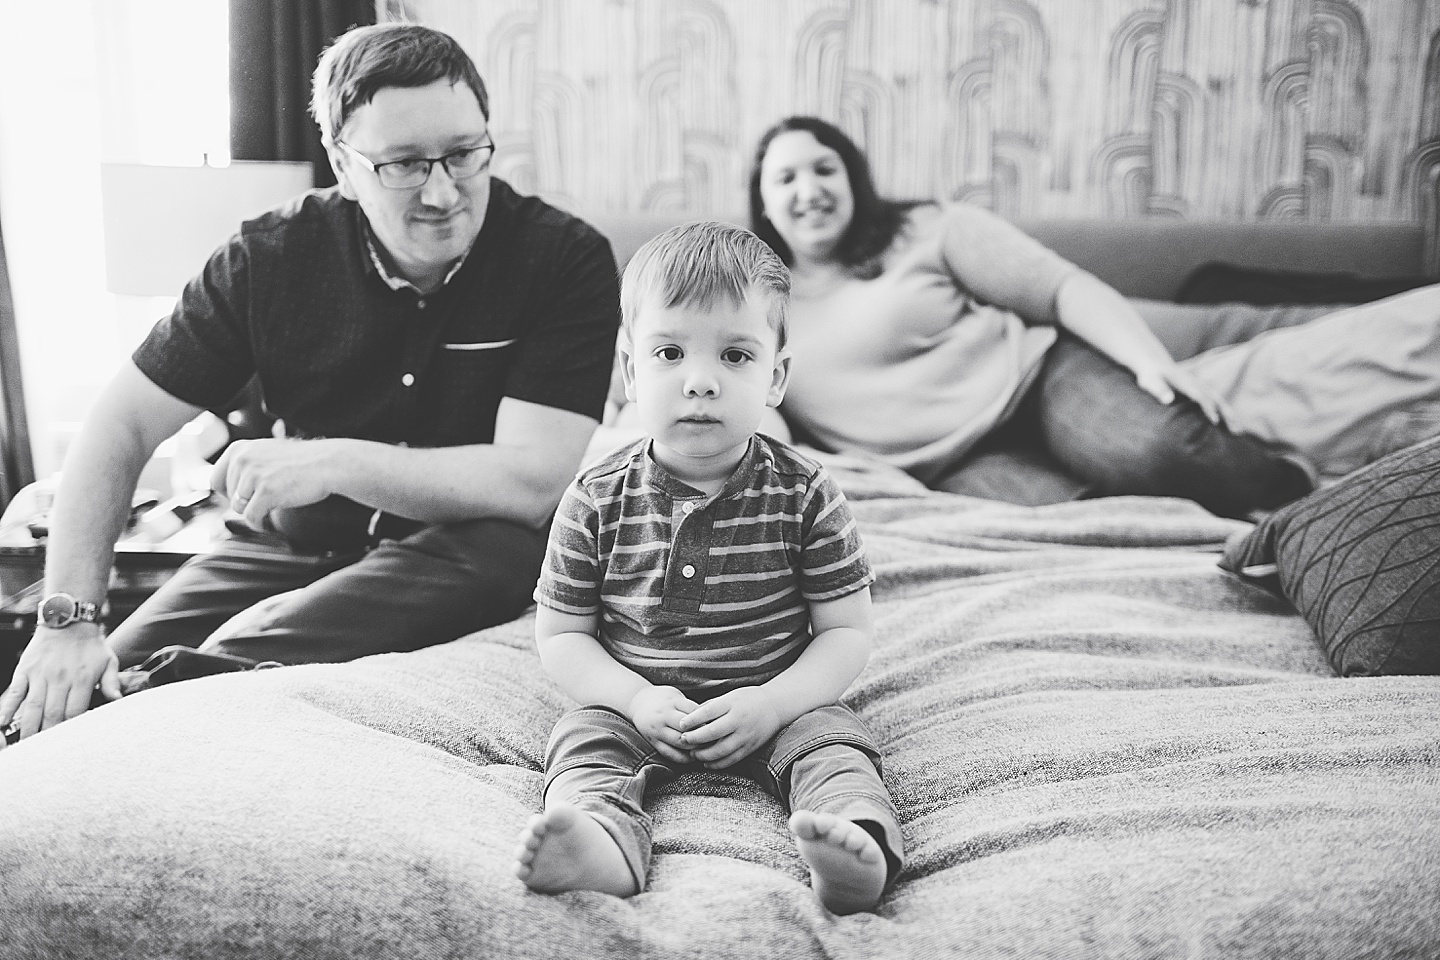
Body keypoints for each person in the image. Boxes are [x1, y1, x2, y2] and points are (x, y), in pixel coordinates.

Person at [0, 23, 619, 741]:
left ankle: (178, 684)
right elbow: (122, 424)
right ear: (342, 163)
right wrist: (69, 621)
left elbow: (531, 482)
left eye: (463, 154)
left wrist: (335, 461)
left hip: (459, 550)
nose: (445, 191)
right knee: (61, 703)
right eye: (404, 165)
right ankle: (145, 685)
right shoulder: (266, 258)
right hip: (282, 548)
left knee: (513, 550)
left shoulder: (564, 259)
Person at [512, 221, 904, 915]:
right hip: (638, 704)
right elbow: (562, 635)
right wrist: (634, 698)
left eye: (735, 355)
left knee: (836, 742)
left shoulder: (806, 494)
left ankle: (854, 844)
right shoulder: (594, 499)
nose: (700, 381)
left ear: (775, 377)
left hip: (775, 697)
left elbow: (846, 632)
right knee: (582, 740)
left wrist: (776, 701)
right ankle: (603, 844)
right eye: (669, 352)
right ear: (632, 372)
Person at [748, 115, 1314, 517]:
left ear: (852, 179)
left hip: (1041, 385)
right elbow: (755, 401)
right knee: (1103, 526)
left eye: (824, 169)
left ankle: (1294, 489)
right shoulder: (753, 299)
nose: (809, 190)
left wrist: (1149, 361)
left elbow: (1061, 289)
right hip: (946, 469)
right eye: (786, 178)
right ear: (765, 204)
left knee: (1160, 453)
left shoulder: (928, 228)